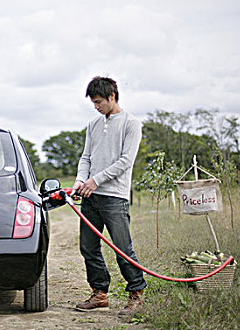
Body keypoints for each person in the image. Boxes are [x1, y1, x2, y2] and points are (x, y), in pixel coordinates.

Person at [72, 76, 146, 315]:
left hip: (114, 197)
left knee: (123, 248)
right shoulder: (93, 125)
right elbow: (86, 158)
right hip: (90, 197)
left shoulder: (131, 123)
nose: (96, 106)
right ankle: (99, 294)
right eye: (93, 103)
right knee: (88, 247)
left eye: (99, 102)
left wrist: (96, 180)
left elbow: (125, 161)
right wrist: (80, 181)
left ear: (112, 96)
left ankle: (136, 294)